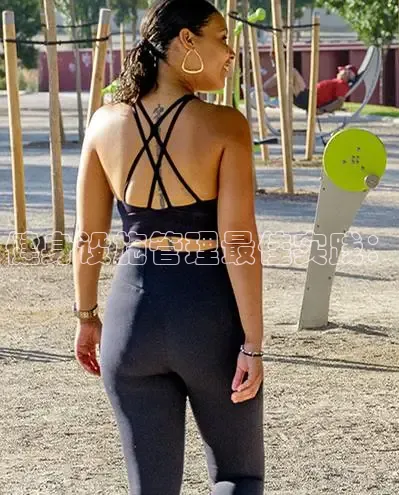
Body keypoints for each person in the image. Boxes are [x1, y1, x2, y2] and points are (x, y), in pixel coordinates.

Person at [71, 0, 265, 493]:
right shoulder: (226, 125)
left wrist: (87, 317)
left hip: (130, 318)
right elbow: (239, 240)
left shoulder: (103, 123)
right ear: (186, 41)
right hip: (207, 317)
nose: (231, 52)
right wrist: (253, 344)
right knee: (238, 475)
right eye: (222, 38)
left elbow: (88, 237)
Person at [262, 56, 356, 111]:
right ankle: (271, 97)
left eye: (341, 70)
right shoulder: (338, 83)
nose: (339, 72)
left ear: (347, 74)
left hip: (309, 99)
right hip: (307, 95)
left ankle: (262, 90)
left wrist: (323, 110)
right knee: (288, 75)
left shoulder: (342, 84)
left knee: (291, 71)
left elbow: (339, 102)